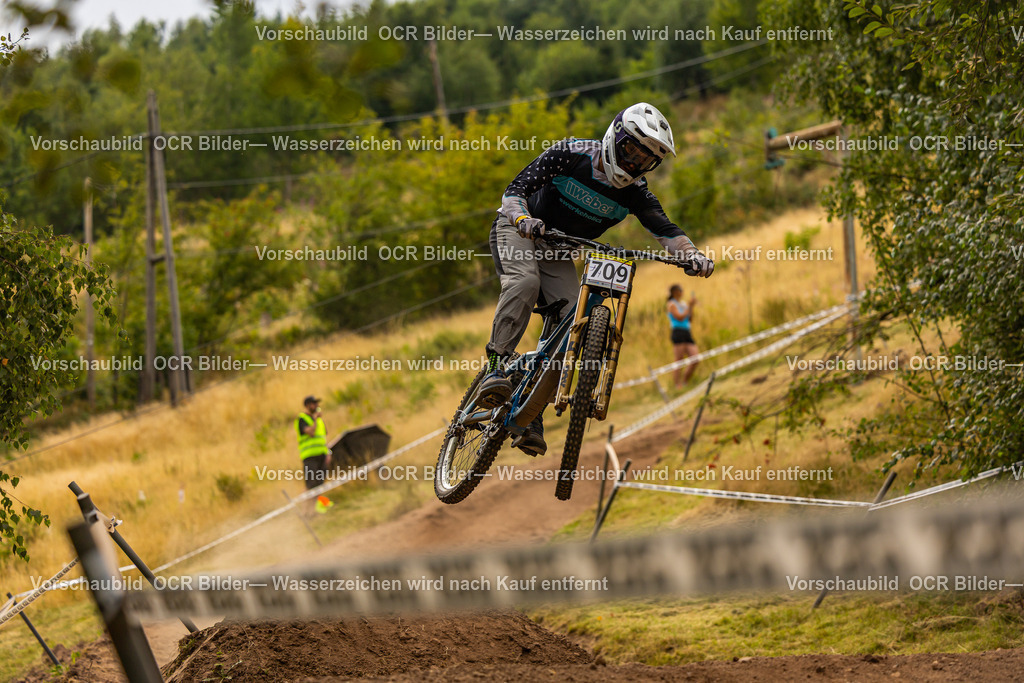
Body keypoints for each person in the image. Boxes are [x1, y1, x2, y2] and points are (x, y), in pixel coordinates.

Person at [477, 102, 715, 456]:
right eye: (631, 151)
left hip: (558, 252)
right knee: (525, 283)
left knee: (576, 320)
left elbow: (665, 230)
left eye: (646, 160)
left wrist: (692, 254)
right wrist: (522, 218)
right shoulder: (569, 154)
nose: (635, 163)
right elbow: (515, 191)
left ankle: (530, 409)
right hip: (519, 231)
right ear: (614, 137)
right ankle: (494, 368)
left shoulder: (635, 192)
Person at [295, 396, 332, 511]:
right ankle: (305, 511)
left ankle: (316, 510)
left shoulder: (320, 420)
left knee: (319, 484)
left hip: (322, 455)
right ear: (307, 405)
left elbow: (323, 438)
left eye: (317, 403)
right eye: (313, 404)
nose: (316, 406)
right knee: (310, 485)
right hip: (310, 457)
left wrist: (327, 453)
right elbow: (311, 432)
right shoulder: (302, 419)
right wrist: (315, 419)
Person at [667, 284, 700, 388]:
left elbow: (689, 319)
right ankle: (677, 385)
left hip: (687, 332)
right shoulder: (672, 304)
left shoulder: (683, 303)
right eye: (680, 290)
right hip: (678, 332)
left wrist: (691, 307)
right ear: (675, 292)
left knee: (695, 358)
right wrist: (689, 306)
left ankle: (685, 381)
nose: (682, 292)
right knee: (679, 360)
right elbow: (679, 317)